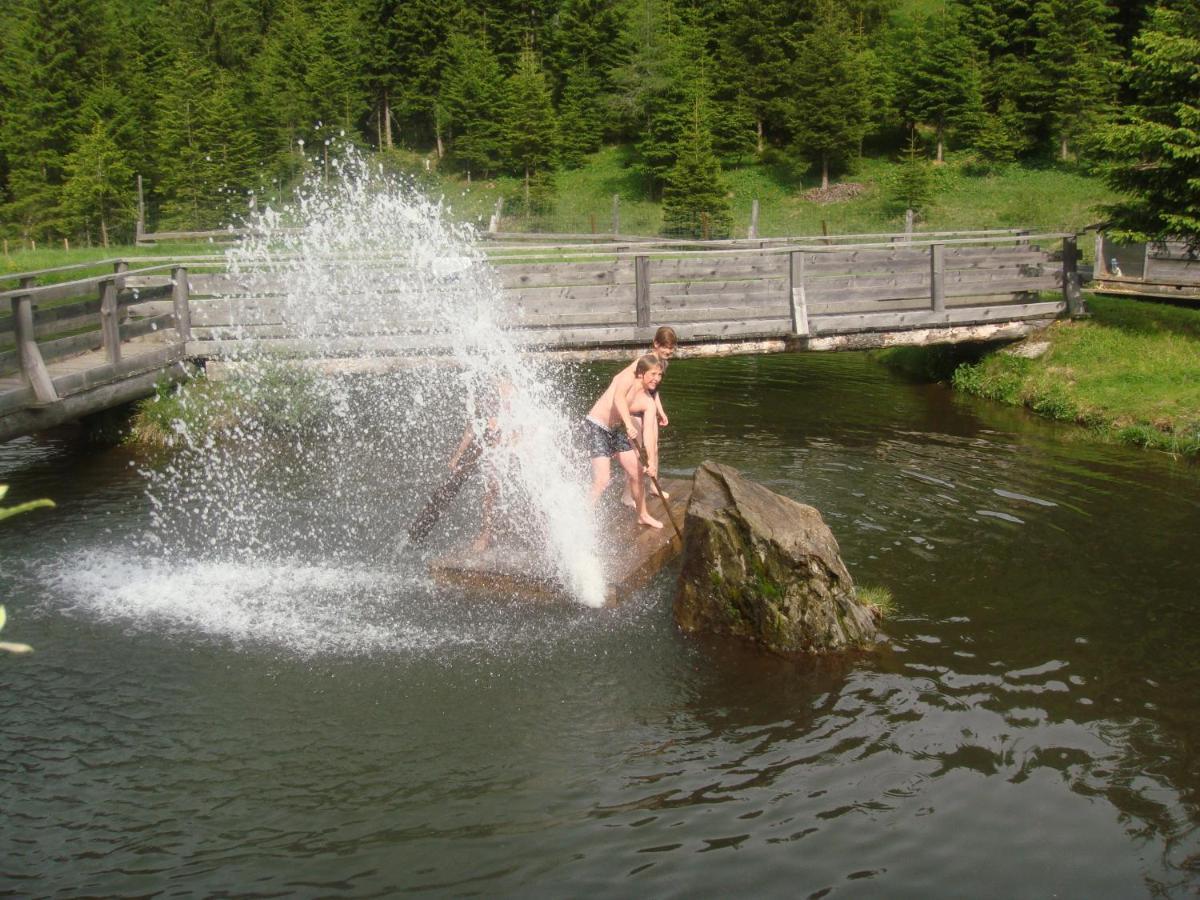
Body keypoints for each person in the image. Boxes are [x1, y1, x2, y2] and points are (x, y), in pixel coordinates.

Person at [583, 353, 665, 529]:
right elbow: (618, 398)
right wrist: (628, 423)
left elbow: (649, 432)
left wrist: (651, 461)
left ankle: (642, 515)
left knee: (636, 472)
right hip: (597, 426)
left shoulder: (648, 402)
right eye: (653, 374)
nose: (656, 379)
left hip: (616, 430)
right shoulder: (628, 379)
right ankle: (583, 516)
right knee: (602, 479)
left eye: (659, 375)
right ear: (642, 373)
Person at [620, 325, 677, 506]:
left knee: (654, 448)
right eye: (665, 346)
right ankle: (627, 495)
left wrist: (660, 411)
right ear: (655, 344)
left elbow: (654, 391)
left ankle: (654, 486)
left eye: (671, 347)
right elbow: (632, 387)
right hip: (636, 410)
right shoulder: (646, 362)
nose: (669, 351)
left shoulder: (663, 363)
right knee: (636, 454)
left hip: (649, 409)